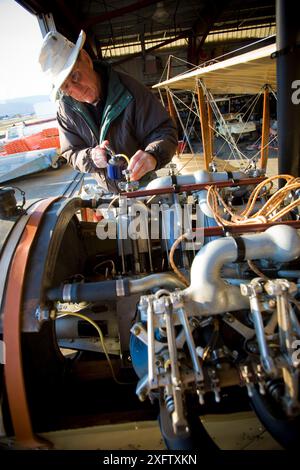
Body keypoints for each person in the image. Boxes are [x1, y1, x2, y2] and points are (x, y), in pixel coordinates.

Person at [38, 30, 178, 192]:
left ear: (85, 58)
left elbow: (164, 130)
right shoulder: (65, 110)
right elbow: (70, 152)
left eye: (75, 76)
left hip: (142, 185)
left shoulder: (131, 90)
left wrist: (153, 155)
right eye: (66, 86)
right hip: (106, 190)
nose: (76, 89)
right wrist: (91, 158)